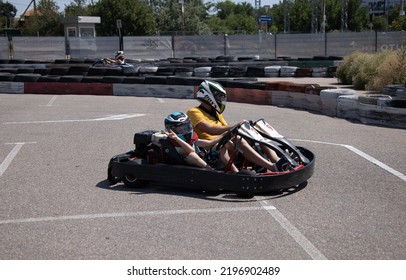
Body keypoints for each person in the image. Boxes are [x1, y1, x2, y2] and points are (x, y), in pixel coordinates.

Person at [187, 80, 287, 172]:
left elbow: (226, 129)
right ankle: (272, 167)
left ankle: (277, 160)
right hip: (210, 146)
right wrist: (236, 126)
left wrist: (246, 127)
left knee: (256, 134)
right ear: (207, 96)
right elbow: (210, 129)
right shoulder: (194, 112)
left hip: (224, 142)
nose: (220, 100)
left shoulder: (216, 113)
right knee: (237, 139)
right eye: (218, 97)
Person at [163, 112, 238, 171]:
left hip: (200, 159)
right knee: (192, 155)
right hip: (187, 163)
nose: (185, 130)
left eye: (187, 127)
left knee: (221, 147)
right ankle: (211, 171)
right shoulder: (174, 143)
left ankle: (234, 170)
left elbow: (209, 143)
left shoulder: (190, 138)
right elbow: (191, 150)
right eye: (181, 129)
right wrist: (176, 138)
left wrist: (225, 134)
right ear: (171, 130)